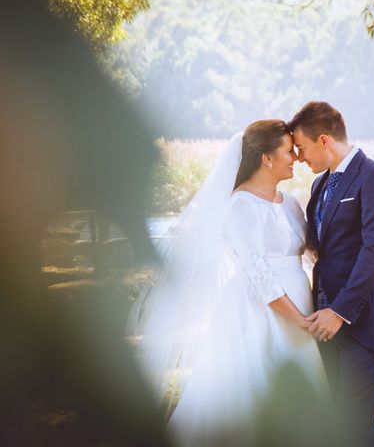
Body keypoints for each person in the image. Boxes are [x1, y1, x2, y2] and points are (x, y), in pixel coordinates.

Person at [128, 120, 326, 446]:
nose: (296, 157)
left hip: (300, 308)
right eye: (288, 150)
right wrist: (300, 321)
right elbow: (258, 272)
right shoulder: (241, 206)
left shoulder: (289, 202)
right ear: (266, 158)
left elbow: (310, 252)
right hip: (262, 312)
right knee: (254, 392)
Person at [288, 101, 374, 447]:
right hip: (324, 324)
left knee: (353, 425)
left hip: (363, 322)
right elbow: (324, 248)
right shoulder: (319, 186)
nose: (299, 158)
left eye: (301, 148)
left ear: (324, 139)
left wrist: (340, 311)